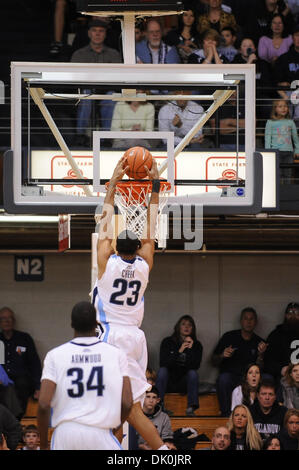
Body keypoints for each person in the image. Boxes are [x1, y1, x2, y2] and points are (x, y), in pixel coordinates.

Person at [92, 156, 170, 450]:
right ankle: (149, 450)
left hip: (113, 337)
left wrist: (113, 183)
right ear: (138, 247)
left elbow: (105, 219)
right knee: (128, 408)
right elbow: (151, 223)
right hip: (137, 338)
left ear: (113, 246)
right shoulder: (144, 265)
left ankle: (154, 450)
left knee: (123, 407)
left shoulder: (105, 263)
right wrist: (153, 186)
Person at [37, 301, 133, 450]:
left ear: (71, 324)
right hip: (100, 431)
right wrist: (113, 426)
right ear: (96, 323)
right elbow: (127, 403)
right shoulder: (116, 354)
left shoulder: (54, 355)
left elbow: (43, 405)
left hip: (65, 433)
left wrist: (43, 446)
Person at [70, 19, 122, 146]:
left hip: (106, 91)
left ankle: (106, 137)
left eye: (101, 31)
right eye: (94, 31)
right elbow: (73, 78)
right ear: (89, 33)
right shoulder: (79, 54)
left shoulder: (114, 54)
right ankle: (80, 135)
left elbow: (118, 78)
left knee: (110, 97)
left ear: (105, 34)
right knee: (86, 95)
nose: (97, 34)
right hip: (86, 91)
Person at [212, 307, 267, 416]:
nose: (248, 322)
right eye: (246, 319)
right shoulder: (229, 337)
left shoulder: (259, 342)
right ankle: (226, 414)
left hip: (250, 377)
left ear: (255, 322)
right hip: (232, 376)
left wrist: (261, 355)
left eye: (251, 319)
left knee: (268, 378)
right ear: (241, 321)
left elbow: (261, 367)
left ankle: (263, 414)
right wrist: (222, 355)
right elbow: (214, 360)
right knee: (223, 379)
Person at [155, 315, 203, 416]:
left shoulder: (197, 345)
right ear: (178, 327)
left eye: (190, 325)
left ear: (193, 328)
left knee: (193, 373)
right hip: (169, 382)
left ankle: (191, 408)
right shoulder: (167, 342)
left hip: (184, 383)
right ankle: (159, 406)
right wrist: (179, 351)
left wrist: (190, 349)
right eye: (183, 324)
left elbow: (195, 366)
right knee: (162, 371)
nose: (186, 327)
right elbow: (164, 363)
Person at [0, 307, 42, 417]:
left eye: (10, 318)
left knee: (21, 384)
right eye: (3, 319)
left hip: (22, 382)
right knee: (6, 388)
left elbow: (35, 364)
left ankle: (15, 420)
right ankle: (11, 421)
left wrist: (38, 387)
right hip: (2, 381)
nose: (7, 321)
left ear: (14, 321)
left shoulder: (24, 338)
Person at [264, 302, 299, 383]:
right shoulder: (276, 335)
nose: (293, 316)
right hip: (283, 376)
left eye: (297, 313)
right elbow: (268, 361)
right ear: (285, 315)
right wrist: (280, 369)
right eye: (290, 313)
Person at [265, 99, 299, 180]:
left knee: (288, 174)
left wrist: (297, 150)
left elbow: (295, 137)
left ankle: (287, 191)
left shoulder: (290, 122)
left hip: (288, 152)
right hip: (276, 152)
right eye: (280, 106)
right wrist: (268, 152)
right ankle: (278, 192)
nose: (283, 108)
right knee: (277, 174)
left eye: (285, 106)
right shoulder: (270, 122)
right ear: (275, 109)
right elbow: (267, 138)